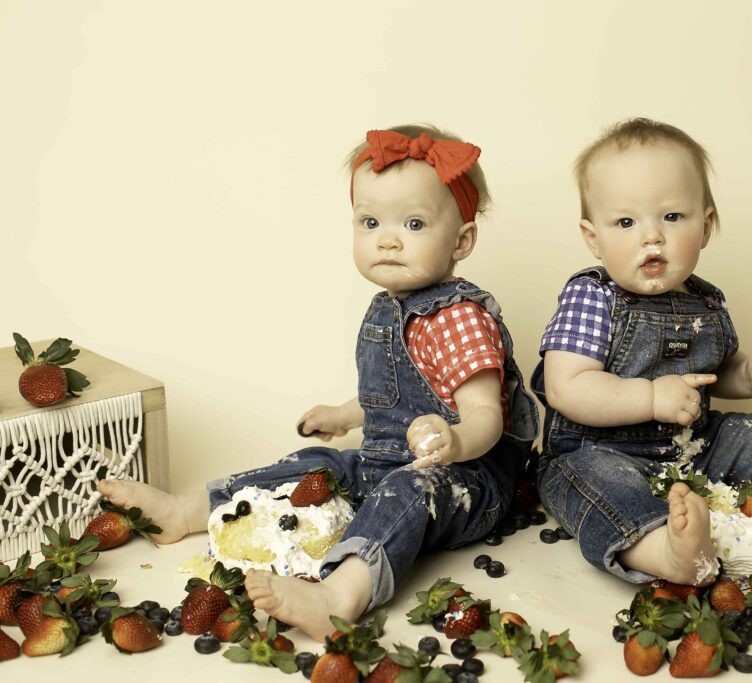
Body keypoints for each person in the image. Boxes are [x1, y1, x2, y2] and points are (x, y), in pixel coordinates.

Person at [100, 124, 538, 639]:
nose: (388, 238)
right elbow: (391, 394)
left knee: (406, 491)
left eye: (414, 223)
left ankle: (339, 594)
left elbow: (487, 413)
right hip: (385, 462)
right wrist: (346, 413)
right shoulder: (387, 308)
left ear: (461, 240)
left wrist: (457, 438)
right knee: (315, 466)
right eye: (370, 221)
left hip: (465, 482)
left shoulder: (459, 316)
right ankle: (185, 511)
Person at [531, 117, 752, 588]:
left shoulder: (705, 300)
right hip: (601, 451)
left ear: (705, 226)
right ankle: (662, 549)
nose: (651, 236)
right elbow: (567, 386)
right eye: (625, 222)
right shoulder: (592, 297)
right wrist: (649, 398)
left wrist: (747, 376)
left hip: (693, 452)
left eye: (671, 217)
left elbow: (713, 376)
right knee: (594, 484)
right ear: (593, 238)